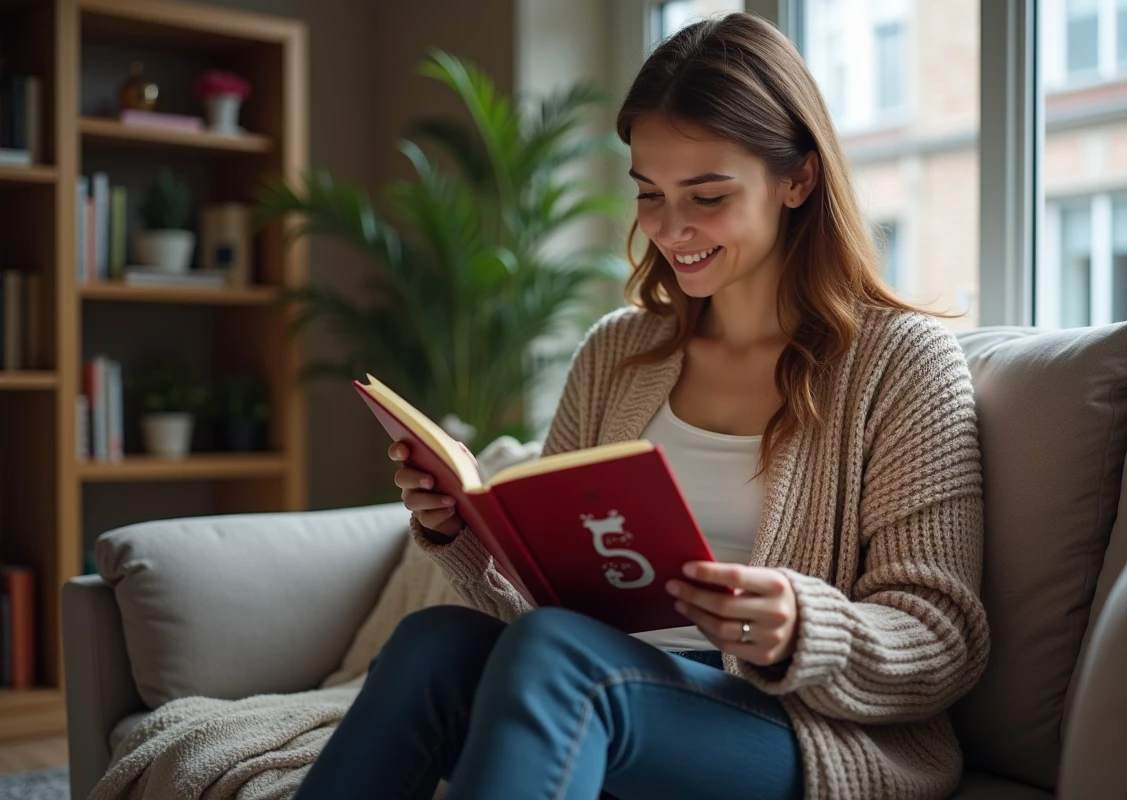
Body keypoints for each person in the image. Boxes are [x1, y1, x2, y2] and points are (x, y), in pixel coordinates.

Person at [294, 11, 989, 800]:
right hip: (597, 683)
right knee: (432, 644)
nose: (671, 228)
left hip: (793, 725)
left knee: (560, 657)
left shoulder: (902, 362)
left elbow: (943, 640)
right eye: (649, 193)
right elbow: (537, 606)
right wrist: (462, 532)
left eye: (707, 195)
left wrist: (802, 626)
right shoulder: (616, 353)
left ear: (798, 179)